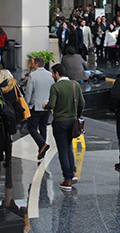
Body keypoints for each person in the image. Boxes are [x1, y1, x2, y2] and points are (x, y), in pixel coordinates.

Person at [43, 63, 84, 191]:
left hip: (60, 122)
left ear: (56, 73)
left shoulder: (55, 87)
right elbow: (82, 103)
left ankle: (67, 180)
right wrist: (77, 115)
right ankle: (73, 172)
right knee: (68, 147)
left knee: (62, 150)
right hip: (72, 121)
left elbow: (52, 104)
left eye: (52, 73)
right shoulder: (75, 84)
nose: (52, 75)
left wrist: (46, 106)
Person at [24, 56, 53, 160]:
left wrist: (26, 105)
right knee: (43, 127)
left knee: (31, 127)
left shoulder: (32, 75)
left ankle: (42, 144)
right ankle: (41, 148)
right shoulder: (50, 75)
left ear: (36, 64)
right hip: (47, 105)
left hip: (35, 105)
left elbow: (29, 92)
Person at [0, 70, 17, 166]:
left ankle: (0, 154)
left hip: (1, 114)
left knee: (2, 134)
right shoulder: (14, 85)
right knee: (9, 135)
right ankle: (8, 156)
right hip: (12, 114)